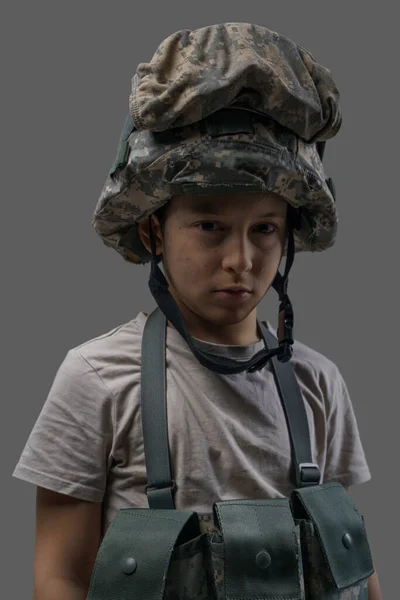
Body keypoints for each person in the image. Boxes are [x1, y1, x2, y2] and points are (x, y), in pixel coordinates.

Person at [12, 22, 382, 599]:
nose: (241, 259)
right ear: (154, 231)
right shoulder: (97, 379)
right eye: (209, 226)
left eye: (265, 229)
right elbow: (58, 576)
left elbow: (354, 570)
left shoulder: (319, 383)